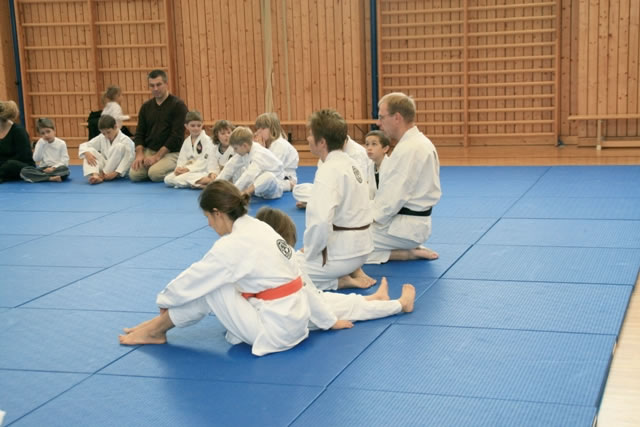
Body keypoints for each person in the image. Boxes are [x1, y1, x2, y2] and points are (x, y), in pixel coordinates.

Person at [119, 180, 311, 357]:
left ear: (217, 213)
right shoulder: (258, 227)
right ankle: (155, 327)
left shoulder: (234, 244)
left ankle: (155, 330)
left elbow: (195, 278)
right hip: (295, 320)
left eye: (207, 217)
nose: (209, 224)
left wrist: (165, 299)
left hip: (275, 331)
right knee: (214, 281)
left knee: (212, 286)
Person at [256, 207, 416, 330]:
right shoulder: (288, 261)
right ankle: (400, 305)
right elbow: (310, 296)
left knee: (329, 298)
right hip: (295, 316)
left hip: (275, 313)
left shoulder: (255, 257)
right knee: (349, 309)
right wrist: (331, 322)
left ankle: (374, 298)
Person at [300, 109, 374, 291]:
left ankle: (338, 281)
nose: (308, 138)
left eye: (311, 134)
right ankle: (343, 277)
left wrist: (310, 251)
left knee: (282, 271)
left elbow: (320, 222)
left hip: (341, 256)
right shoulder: (352, 164)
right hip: (362, 250)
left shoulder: (329, 170)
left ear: (322, 142)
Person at [366, 92, 441, 264]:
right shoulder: (416, 143)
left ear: (397, 118)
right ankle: (403, 251)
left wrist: (362, 218)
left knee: (342, 243)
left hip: (404, 228)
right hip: (406, 223)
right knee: (345, 234)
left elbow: (390, 202)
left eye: (382, 117)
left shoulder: (410, 149)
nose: (378, 123)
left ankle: (405, 254)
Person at [130, 69, 188, 182]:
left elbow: (176, 136)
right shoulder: (146, 107)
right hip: (150, 150)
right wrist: (139, 154)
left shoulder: (178, 106)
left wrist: (157, 157)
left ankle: (180, 168)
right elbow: (139, 133)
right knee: (135, 175)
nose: (155, 89)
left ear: (166, 84)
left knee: (154, 174)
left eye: (159, 84)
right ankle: (153, 167)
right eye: (152, 85)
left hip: (171, 152)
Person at [292, 135, 368, 209]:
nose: (308, 138)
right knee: (298, 190)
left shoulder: (358, 154)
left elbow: (359, 187)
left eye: (311, 135)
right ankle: (319, 201)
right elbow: (321, 182)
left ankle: (318, 202)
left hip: (350, 196)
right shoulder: (328, 151)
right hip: (331, 192)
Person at [216, 126, 286, 199]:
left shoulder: (258, 154)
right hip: (257, 187)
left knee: (268, 176)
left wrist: (234, 192)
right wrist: (215, 186)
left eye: (235, 148)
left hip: (273, 187)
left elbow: (249, 175)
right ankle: (241, 192)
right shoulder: (244, 151)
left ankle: (245, 193)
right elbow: (230, 167)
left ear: (244, 146)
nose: (234, 151)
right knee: (238, 169)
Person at [78, 114, 135, 184]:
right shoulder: (102, 137)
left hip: (117, 170)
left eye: (108, 132)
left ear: (115, 127)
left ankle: (102, 175)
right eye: (103, 133)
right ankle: (95, 175)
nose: (106, 136)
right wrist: (86, 153)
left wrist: (116, 173)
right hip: (106, 166)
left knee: (119, 147)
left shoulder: (126, 140)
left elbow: (129, 159)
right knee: (89, 151)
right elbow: (85, 145)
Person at [164, 111, 213, 188]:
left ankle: (207, 180)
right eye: (192, 126)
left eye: (199, 125)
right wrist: (179, 168)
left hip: (202, 170)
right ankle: (199, 183)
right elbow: (181, 159)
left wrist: (188, 169)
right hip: (188, 171)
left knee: (178, 180)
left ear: (202, 125)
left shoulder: (207, 140)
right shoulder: (186, 142)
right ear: (186, 126)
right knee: (167, 179)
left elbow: (204, 161)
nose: (196, 128)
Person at [254, 112, 298, 191]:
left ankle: (288, 185)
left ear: (273, 129)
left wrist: (261, 150)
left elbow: (272, 169)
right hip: (274, 176)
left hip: (284, 178)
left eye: (263, 128)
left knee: (260, 185)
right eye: (257, 128)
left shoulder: (280, 145)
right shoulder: (267, 143)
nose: (258, 132)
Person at [20, 118, 70, 183]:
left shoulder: (61, 143)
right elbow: (36, 159)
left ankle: (40, 177)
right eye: (42, 133)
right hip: (43, 169)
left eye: (48, 131)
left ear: (54, 130)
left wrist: (53, 168)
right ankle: (50, 178)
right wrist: (41, 145)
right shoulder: (40, 143)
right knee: (24, 171)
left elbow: (65, 161)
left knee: (65, 170)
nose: (46, 135)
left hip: (56, 168)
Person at [192, 119, 235, 188]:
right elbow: (212, 164)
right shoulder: (214, 148)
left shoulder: (236, 148)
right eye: (223, 133)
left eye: (229, 132)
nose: (227, 135)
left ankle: (211, 184)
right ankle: (212, 183)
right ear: (217, 135)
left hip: (232, 177)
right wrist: (212, 173)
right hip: (217, 176)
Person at [0, 100, 34, 183]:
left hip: (21, 165)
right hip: (3, 165)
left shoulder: (18, 131)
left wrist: (3, 163)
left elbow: (23, 156)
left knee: (10, 164)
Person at [364, 130, 390, 199]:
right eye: (367, 144)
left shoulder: (391, 167)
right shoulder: (371, 166)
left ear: (385, 149)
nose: (369, 148)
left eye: (374, 144)